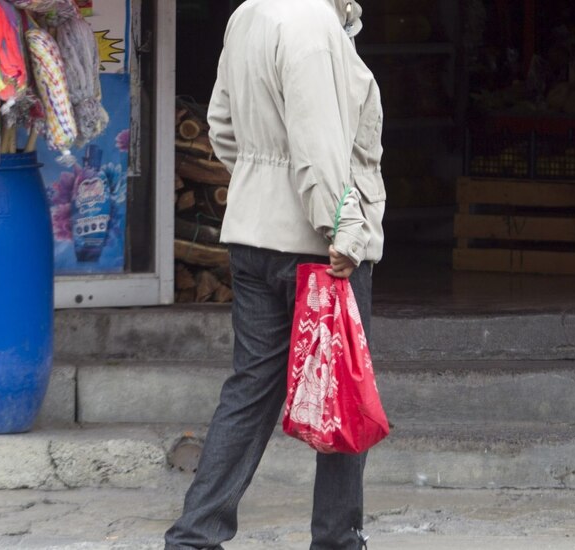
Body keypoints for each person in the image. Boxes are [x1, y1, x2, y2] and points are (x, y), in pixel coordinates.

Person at [164, 0, 385, 548]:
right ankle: (337, 540)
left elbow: (221, 125)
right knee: (341, 393)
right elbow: (319, 144)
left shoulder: (248, 14)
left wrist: (261, 185)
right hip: (316, 246)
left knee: (250, 389)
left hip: (254, 235)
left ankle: (194, 537)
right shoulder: (312, 23)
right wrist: (343, 229)